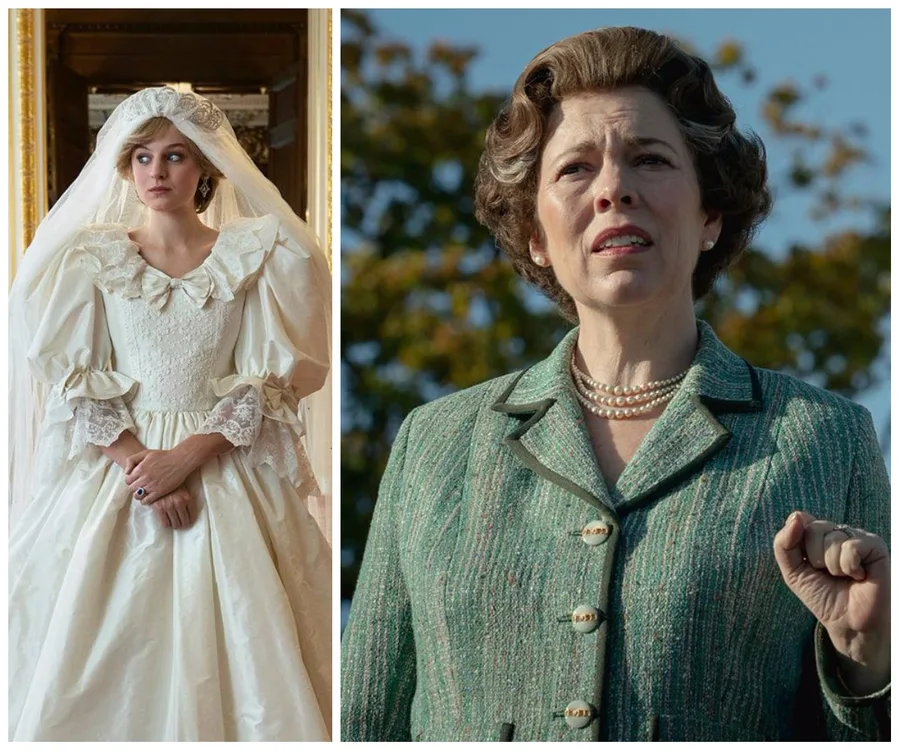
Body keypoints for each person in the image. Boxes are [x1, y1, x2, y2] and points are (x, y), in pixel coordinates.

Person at [340, 27, 890, 742]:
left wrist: (865, 668)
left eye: (650, 159)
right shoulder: (432, 444)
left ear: (710, 214)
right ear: (535, 233)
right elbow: (362, 724)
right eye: (573, 170)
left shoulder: (826, 438)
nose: (613, 188)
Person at [9, 87, 332, 741]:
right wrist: (142, 470)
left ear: (207, 168)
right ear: (126, 168)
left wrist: (187, 457)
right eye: (144, 157)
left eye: (177, 155)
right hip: (117, 474)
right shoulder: (91, 257)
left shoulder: (259, 253)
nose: (158, 171)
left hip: (224, 466)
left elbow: (271, 381)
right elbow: (76, 381)